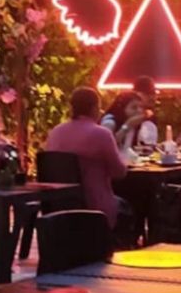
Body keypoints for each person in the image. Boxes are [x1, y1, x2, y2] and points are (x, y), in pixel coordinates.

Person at [47, 87, 128, 229]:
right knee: (131, 206)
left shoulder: (56, 132)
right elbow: (119, 172)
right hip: (96, 205)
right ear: (94, 108)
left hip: (59, 205)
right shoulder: (101, 134)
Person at [101, 91, 147, 158]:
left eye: (141, 107)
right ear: (122, 108)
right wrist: (127, 125)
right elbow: (107, 147)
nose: (139, 111)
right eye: (134, 107)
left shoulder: (134, 124)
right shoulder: (109, 122)